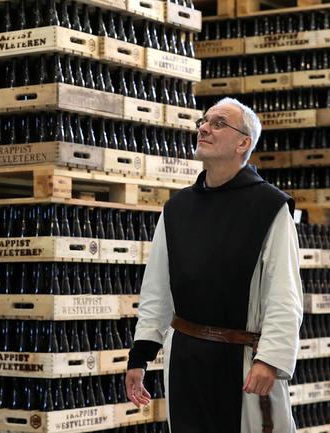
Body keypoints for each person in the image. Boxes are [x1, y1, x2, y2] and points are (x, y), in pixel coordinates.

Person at [125, 97, 303, 433]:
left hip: (243, 361)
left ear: (243, 143)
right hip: (186, 358)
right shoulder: (177, 208)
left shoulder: (270, 207)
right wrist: (141, 356)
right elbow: (157, 289)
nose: (204, 128)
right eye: (203, 122)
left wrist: (270, 360)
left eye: (219, 123)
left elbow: (284, 292)